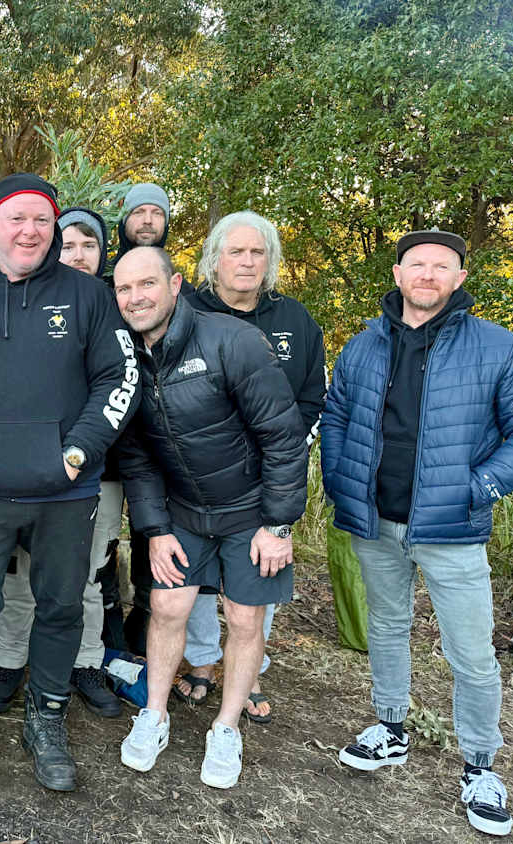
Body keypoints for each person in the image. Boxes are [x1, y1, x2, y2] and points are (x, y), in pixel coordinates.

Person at [0, 174, 136, 792]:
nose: (29, 232)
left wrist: (77, 451)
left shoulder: (86, 297)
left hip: (64, 492)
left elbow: (117, 380)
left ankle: (46, 716)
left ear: (54, 230)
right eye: (16, 219)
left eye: (42, 221)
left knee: (63, 606)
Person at [322, 228, 513, 837]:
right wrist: (339, 479)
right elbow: (336, 416)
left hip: (452, 528)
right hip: (376, 520)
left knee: (469, 653)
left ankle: (480, 765)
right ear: (397, 273)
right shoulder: (364, 346)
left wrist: (480, 487)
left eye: (442, 267)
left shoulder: (500, 350)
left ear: (459, 279)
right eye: (417, 264)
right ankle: (390, 728)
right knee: (387, 628)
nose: (428, 274)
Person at [113, 246, 307, 790]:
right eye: (124, 290)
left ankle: (226, 727)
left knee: (244, 619)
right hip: (182, 510)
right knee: (166, 603)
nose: (136, 298)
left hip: (250, 510)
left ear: (175, 285)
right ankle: (153, 714)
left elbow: (283, 437)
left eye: (147, 284)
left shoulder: (232, 341)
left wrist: (279, 525)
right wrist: (154, 530)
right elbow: (137, 455)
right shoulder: (125, 356)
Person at [175, 211, 326, 721]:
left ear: (271, 261)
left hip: (267, 476)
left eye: (256, 252)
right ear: (213, 259)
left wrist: (282, 454)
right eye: (235, 252)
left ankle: (251, 667)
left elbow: (310, 398)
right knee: (194, 578)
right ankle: (201, 661)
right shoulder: (184, 311)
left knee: (263, 569)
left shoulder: (295, 320)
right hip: (196, 474)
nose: (246, 261)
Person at [0, 207, 123, 718]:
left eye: (89, 245)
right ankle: (9, 661)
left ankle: (85, 662)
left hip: (99, 473)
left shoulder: (119, 303)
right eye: (68, 245)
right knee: (20, 572)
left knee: (87, 574)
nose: (77, 254)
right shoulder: (28, 301)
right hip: (28, 469)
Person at [110, 181, 183, 656]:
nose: (148, 221)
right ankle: (107, 627)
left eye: (157, 213)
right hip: (108, 438)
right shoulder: (104, 283)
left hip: (158, 436)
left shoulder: (177, 284)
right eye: (140, 213)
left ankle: (144, 625)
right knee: (99, 545)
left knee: (149, 533)